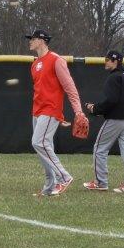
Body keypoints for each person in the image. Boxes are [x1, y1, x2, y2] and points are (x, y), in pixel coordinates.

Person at [26, 29, 85, 197]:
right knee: (44, 146)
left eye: (33, 38)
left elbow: (70, 88)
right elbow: (42, 89)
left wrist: (78, 112)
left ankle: (64, 177)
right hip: (37, 110)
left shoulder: (56, 60)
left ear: (42, 40)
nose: (30, 41)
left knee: (38, 142)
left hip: (50, 109)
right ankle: (50, 186)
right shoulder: (34, 64)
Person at [83, 50, 124, 194]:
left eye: (108, 60)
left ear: (116, 62)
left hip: (116, 119)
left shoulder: (114, 77)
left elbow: (112, 100)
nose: (106, 62)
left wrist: (95, 108)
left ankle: (100, 182)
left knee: (99, 148)